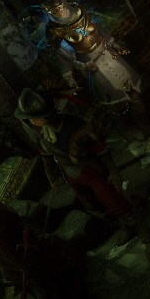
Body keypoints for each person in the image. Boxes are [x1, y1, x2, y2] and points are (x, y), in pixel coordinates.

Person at [0, 176, 93, 299]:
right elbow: (4, 243)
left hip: (30, 247)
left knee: (54, 275)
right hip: (24, 254)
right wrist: (22, 264)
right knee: (44, 288)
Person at [13, 90, 136, 225]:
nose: (31, 121)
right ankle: (115, 223)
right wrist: (51, 175)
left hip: (91, 170)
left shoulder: (74, 125)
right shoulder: (41, 131)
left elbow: (100, 149)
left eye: (33, 117)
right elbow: (46, 154)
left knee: (111, 199)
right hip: (71, 174)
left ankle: (130, 220)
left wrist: (113, 171)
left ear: (45, 115)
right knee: (90, 204)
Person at [40, 0, 142, 120]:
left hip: (107, 52)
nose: (60, 11)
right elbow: (60, 53)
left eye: (61, 7)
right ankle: (130, 123)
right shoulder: (54, 30)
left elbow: (98, 30)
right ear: (50, 12)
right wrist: (72, 72)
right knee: (115, 100)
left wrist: (114, 44)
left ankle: (142, 119)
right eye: (55, 11)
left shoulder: (79, 12)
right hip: (92, 63)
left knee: (134, 93)